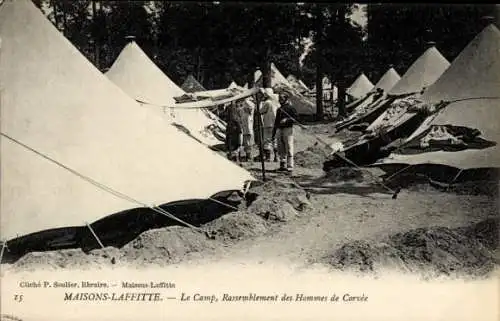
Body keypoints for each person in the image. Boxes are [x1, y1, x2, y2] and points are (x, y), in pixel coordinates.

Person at [272, 92, 297, 172]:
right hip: (279, 129)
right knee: (280, 148)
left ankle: (290, 166)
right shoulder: (279, 109)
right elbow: (276, 122)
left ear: (286, 99)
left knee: (289, 147)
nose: (279, 100)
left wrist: (287, 119)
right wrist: (274, 132)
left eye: (281, 98)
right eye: (279, 99)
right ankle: (282, 165)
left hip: (288, 129)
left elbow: (296, 119)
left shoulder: (291, 108)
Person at [257, 88, 279, 162]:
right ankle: (276, 157)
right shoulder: (276, 102)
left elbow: (260, 111)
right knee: (275, 140)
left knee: (267, 140)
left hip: (268, 123)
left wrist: (260, 103)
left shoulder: (267, 102)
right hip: (275, 123)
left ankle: (268, 157)